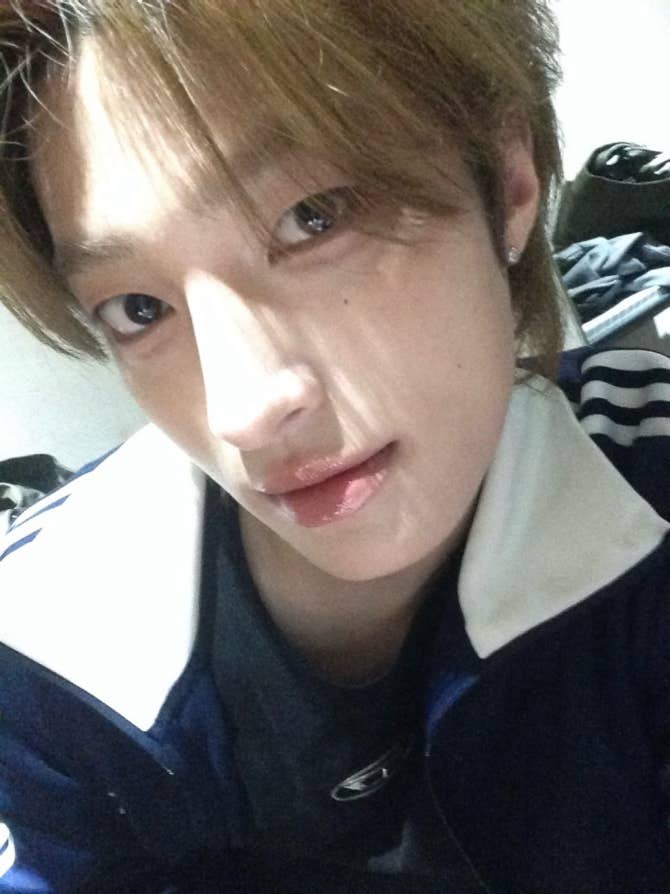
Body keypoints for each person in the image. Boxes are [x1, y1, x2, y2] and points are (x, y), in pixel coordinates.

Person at [1, 1, 669, 891]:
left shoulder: (646, 489)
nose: (242, 412)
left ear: (509, 181)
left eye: (313, 217)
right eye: (139, 309)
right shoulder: (45, 647)